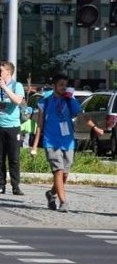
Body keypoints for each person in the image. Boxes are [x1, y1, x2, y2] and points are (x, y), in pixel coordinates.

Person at [31, 73, 102, 212]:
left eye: (65, 85)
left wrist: (94, 127)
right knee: (58, 171)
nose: (64, 88)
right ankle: (63, 202)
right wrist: (34, 145)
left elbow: (81, 115)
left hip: (68, 141)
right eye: (61, 85)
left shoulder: (70, 100)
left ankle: (51, 193)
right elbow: (40, 124)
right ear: (54, 86)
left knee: (64, 174)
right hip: (51, 141)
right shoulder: (45, 101)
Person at [0, 61, 26, 195]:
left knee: (14, 157)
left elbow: (18, 101)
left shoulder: (17, 85)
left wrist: (5, 88)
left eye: (0, 70)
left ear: (8, 72)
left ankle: (16, 186)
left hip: (12, 126)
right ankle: (0, 185)